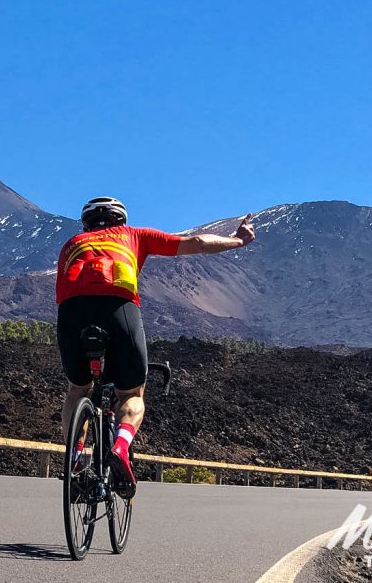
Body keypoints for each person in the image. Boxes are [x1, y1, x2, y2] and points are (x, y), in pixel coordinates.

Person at [56, 196, 256, 498]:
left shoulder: (72, 244)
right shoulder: (135, 235)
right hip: (120, 309)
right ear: (121, 220)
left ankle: (73, 457)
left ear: (86, 224)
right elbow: (197, 242)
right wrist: (238, 241)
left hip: (71, 313)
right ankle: (121, 446)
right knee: (132, 393)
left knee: (78, 388)